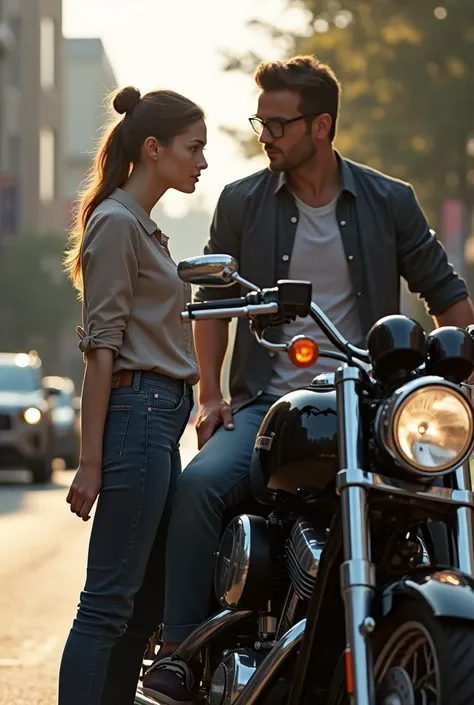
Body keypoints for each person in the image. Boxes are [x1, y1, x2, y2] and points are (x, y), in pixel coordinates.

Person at [142, 55, 474, 703]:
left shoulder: (389, 200)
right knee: (202, 485)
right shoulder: (241, 202)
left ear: (321, 126)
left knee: (437, 498)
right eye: (260, 122)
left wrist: (455, 380)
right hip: (272, 403)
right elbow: (212, 309)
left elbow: (449, 299)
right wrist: (211, 396)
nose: (265, 135)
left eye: (279, 124)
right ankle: (181, 652)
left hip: (373, 404)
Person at [58, 84, 207, 705]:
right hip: (137, 418)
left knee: (143, 602)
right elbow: (101, 351)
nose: (202, 161)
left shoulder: (142, 227)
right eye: (193, 148)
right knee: (107, 604)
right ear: (153, 149)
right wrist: (89, 463)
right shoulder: (117, 223)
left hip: (158, 422)